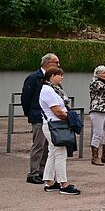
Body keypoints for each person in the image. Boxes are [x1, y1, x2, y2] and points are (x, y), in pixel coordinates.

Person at [39, 67, 80, 195]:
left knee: (53, 152)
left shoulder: (51, 90)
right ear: (52, 76)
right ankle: (64, 184)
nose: (62, 77)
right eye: (60, 75)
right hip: (54, 125)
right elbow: (57, 111)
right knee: (61, 153)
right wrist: (70, 117)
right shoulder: (48, 90)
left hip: (53, 125)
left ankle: (50, 181)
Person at [21, 53, 58, 184]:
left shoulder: (51, 79)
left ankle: (42, 171)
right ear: (48, 64)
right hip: (38, 116)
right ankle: (33, 173)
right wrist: (31, 114)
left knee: (47, 146)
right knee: (39, 145)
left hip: (49, 117)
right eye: (56, 63)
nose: (58, 65)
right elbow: (25, 98)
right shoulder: (34, 77)